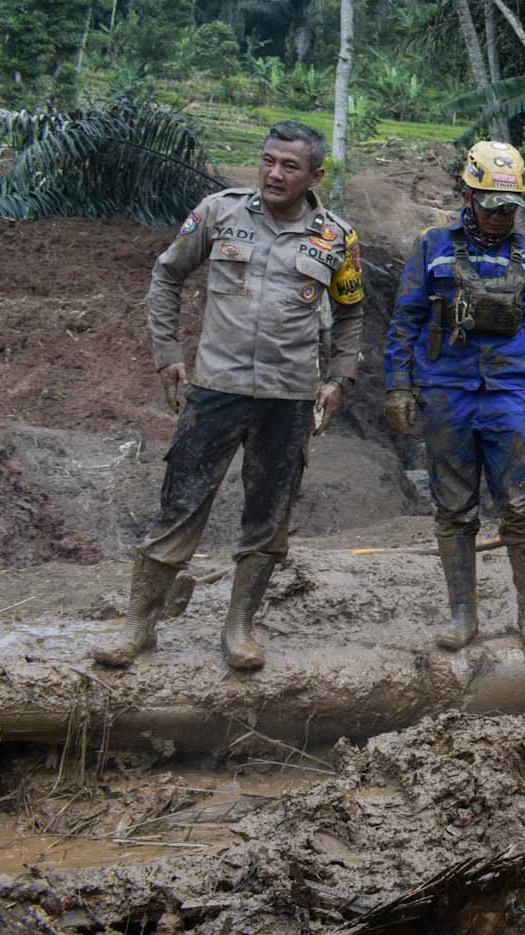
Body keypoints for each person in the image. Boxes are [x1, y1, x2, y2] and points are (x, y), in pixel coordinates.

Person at [93, 121, 365, 672]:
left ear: (315, 175)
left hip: (289, 399)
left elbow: (353, 311)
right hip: (215, 390)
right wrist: (168, 353)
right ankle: (138, 627)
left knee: (268, 517)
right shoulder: (219, 212)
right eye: (267, 161)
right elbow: (167, 275)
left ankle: (239, 628)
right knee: (179, 506)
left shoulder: (337, 237)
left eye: (289, 166)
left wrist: (339, 378)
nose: (274, 173)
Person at [382, 141, 525, 654]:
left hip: (508, 391)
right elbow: (406, 319)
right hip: (447, 392)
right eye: (492, 205)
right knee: (455, 507)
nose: (503, 216)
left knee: (521, 503)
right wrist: (399, 384)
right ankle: (464, 616)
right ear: (467, 195)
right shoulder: (432, 245)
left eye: (511, 207)